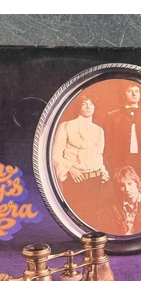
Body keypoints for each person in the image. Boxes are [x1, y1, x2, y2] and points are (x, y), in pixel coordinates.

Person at [52, 95, 109, 224]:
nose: (88, 106)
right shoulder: (66, 126)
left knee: (92, 216)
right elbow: (55, 154)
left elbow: (98, 154)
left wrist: (103, 170)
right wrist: (70, 168)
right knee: (74, 217)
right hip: (75, 179)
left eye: (91, 104)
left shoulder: (99, 130)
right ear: (78, 107)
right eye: (84, 103)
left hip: (95, 179)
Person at [101, 82, 141, 183]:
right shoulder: (112, 116)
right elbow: (107, 143)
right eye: (130, 91)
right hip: (120, 162)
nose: (134, 94)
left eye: (137, 91)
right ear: (123, 94)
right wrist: (113, 162)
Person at [96, 166, 141, 236]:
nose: (127, 189)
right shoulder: (110, 206)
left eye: (129, 184)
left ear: (136, 183)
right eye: (122, 186)